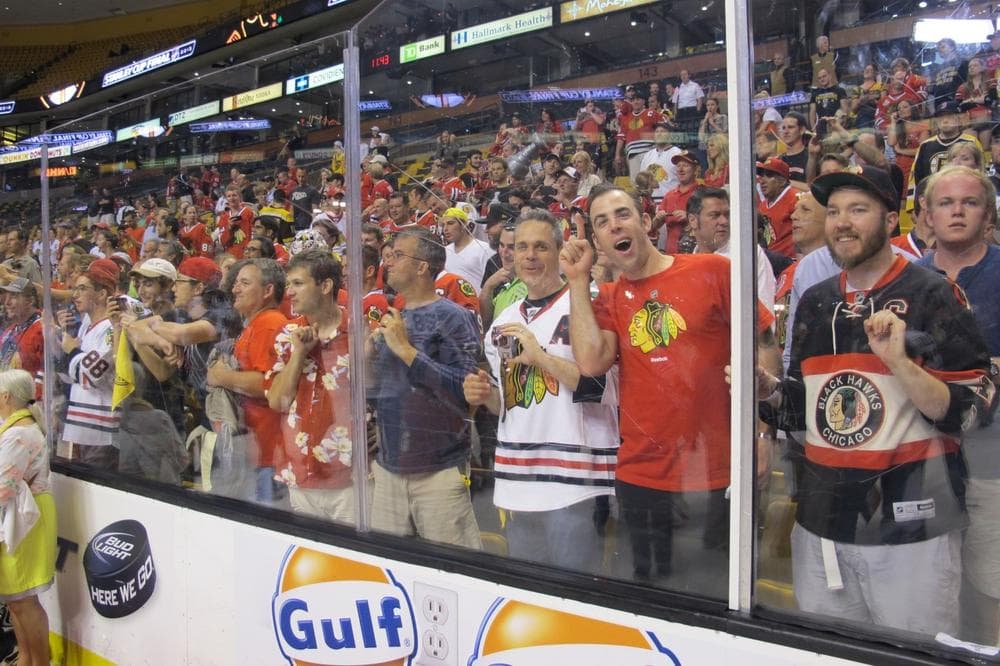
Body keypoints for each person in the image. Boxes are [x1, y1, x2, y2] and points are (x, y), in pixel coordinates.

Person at [759, 166, 993, 636]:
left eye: (858, 210)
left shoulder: (933, 293)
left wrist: (901, 364)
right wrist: (767, 391)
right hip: (823, 524)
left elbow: (971, 411)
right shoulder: (816, 302)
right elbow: (803, 413)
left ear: (890, 220)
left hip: (911, 526)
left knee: (914, 654)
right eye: (834, 212)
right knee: (827, 652)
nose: (842, 222)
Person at [560, 184, 773, 592]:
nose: (613, 226)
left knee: (721, 594)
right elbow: (590, 362)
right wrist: (577, 279)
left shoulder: (713, 270)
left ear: (645, 221)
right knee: (649, 595)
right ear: (598, 240)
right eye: (601, 222)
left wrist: (763, 431)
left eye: (622, 214)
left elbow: (763, 345)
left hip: (719, 470)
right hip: (642, 474)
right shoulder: (609, 297)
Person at [464, 210, 618, 573]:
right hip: (518, 479)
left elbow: (602, 389)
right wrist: (484, 395)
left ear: (560, 251)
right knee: (528, 588)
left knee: (572, 590)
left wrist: (543, 358)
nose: (529, 256)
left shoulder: (588, 303)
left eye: (541, 247)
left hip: (575, 481)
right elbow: (508, 404)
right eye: (521, 247)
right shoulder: (503, 322)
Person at [915, 166, 1000, 644]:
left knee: (991, 584)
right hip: (923, 458)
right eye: (945, 203)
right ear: (927, 215)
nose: (957, 211)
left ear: (988, 215)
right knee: (931, 589)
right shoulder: (906, 279)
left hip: (992, 457)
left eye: (969, 202)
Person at [368, 227, 482, 548]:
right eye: (388, 255)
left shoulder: (453, 317)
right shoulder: (393, 317)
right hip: (389, 468)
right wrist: (365, 359)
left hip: (438, 472)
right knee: (386, 565)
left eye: (398, 255)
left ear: (422, 266)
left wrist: (407, 351)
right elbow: (379, 392)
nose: (388, 262)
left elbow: (464, 391)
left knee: (452, 567)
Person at [265, 250, 356, 523]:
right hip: (301, 473)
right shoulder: (285, 336)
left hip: (352, 478)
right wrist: (298, 354)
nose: (289, 292)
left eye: (298, 283)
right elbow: (278, 402)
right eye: (288, 284)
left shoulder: (359, 330)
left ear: (325, 286)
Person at [206, 258, 288, 504]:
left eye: (244, 283)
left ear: (268, 290)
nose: (235, 289)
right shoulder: (256, 323)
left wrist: (220, 376)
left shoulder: (269, 324)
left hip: (266, 455)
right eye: (235, 283)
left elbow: (268, 385)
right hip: (255, 451)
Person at [0, 369, 54, 666]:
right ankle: (25, 658)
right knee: (15, 600)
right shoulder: (14, 428)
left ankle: (39, 661)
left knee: (23, 600)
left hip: (25, 519)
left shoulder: (19, 433)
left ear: (6, 396)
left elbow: (3, 487)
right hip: (18, 515)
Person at [57, 259, 121, 468]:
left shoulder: (111, 329)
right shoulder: (86, 325)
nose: (75, 295)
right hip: (79, 426)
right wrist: (62, 336)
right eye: (75, 289)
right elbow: (67, 376)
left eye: (82, 289)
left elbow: (92, 375)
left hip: (99, 430)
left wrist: (72, 351)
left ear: (101, 294)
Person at [689, 188, 775, 311]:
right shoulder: (687, 263)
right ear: (693, 221)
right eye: (715, 215)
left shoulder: (749, 254)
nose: (724, 221)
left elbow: (765, 311)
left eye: (727, 215)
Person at [442, 207, 492, 293]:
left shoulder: (484, 249)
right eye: (443, 225)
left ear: (463, 224)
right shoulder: (444, 251)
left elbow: (491, 281)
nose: (445, 229)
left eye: (450, 223)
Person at [756, 156, 798, 258]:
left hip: (789, 260)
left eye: (769, 175)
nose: (762, 180)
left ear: (782, 181)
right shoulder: (763, 205)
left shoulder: (795, 199)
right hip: (769, 258)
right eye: (762, 175)